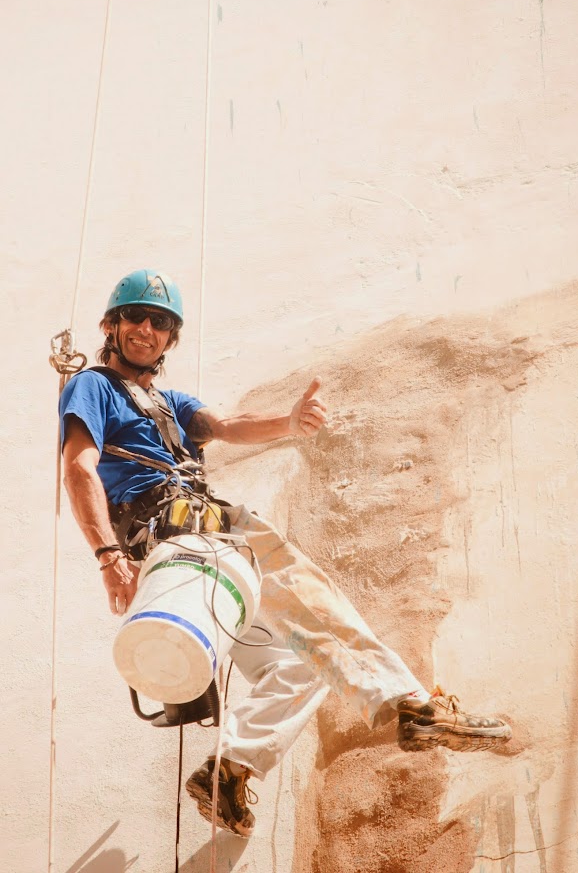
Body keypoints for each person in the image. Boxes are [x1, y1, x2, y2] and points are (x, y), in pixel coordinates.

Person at [60, 270, 512, 839]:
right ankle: (413, 704)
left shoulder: (169, 404)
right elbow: (78, 467)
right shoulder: (93, 387)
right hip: (188, 536)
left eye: (161, 322)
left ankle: (230, 770)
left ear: (170, 338)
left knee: (299, 665)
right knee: (313, 600)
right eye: (136, 317)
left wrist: (289, 423)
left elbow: (224, 426)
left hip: (205, 560)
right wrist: (106, 555)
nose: (147, 329)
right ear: (111, 325)